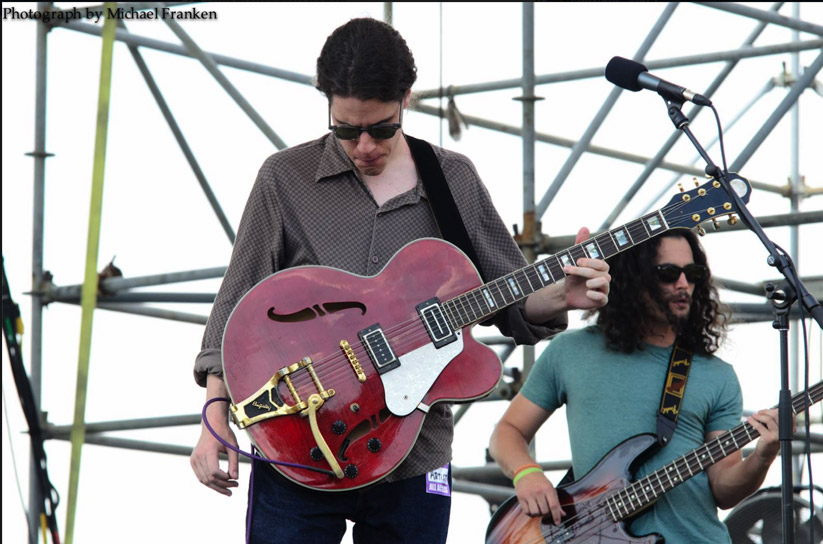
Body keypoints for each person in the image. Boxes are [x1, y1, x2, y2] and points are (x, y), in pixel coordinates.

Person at [189, 17, 610, 544]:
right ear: (326, 104)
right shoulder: (284, 178)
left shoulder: (452, 177)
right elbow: (235, 304)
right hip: (298, 439)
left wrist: (559, 298)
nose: (364, 144)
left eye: (381, 128)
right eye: (346, 129)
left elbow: (512, 298)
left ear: (406, 99)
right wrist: (215, 418)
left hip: (414, 452)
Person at [489, 229, 788, 543]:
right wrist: (526, 473)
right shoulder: (570, 352)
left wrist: (762, 457)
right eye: (669, 273)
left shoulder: (717, 375)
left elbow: (724, 489)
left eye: (692, 273)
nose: (683, 284)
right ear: (632, 279)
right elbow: (507, 431)